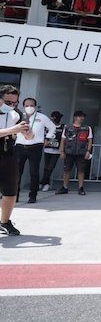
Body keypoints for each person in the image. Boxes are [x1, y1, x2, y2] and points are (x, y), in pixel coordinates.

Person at [0, 85, 30, 236]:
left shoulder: (16, 114)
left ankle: (5, 221)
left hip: (9, 153)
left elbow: (27, 136)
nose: (11, 106)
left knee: (11, 191)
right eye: (8, 102)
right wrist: (13, 130)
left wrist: (27, 132)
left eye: (15, 103)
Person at [14, 98, 56, 203]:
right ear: (23, 106)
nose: (29, 107)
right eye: (27, 105)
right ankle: (15, 195)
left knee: (34, 172)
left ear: (35, 106)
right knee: (17, 172)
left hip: (35, 146)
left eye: (31, 105)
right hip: (20, 146)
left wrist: (47, 138)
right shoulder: (18, 117)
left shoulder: (42, 117)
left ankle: (33, 195)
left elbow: (52, 127)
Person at [56, 111, 93, 196]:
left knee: (81, 170)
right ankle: (65, 187)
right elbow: (63, 139)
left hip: (81, 152)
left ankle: (81, 188)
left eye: (83, 116)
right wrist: (61, 151)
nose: (82, 118)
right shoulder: (67, 127)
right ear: (75, 117)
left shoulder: (87, 128)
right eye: (80, 116)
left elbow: (90, 140)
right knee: (66, 170)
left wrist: (88, 151)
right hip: (69, 152)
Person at [41, 111, 65, 192]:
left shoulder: (62, 127)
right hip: (47, 149)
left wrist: (62, 150)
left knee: (50, 167)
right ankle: (45, 182)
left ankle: (44, 182)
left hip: (56, 150)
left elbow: (63, 138)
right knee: (46, 167)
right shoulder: (47, 127)